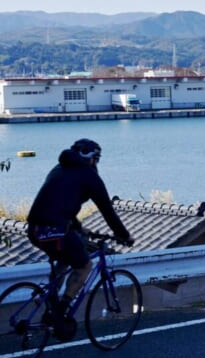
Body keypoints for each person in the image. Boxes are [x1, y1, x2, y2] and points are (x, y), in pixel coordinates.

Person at [27, 138, 133, 339]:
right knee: (84, 265)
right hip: (55, 230)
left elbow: (59, 202)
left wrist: (78, 227)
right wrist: (124, 235)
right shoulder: (88, 175)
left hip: (34, 230)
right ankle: (61, 309)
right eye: (97, 159)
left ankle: (50, 303)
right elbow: (107, 211)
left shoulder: (58, 168)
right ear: (93, 159)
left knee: (65, 258)